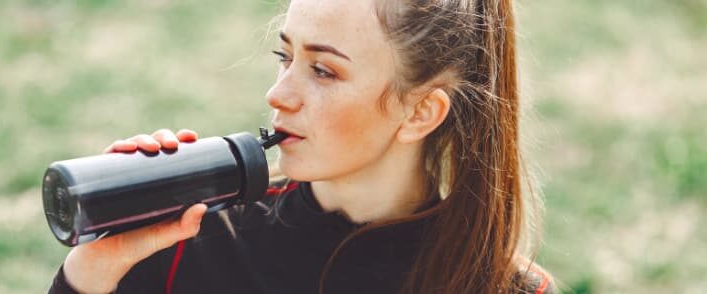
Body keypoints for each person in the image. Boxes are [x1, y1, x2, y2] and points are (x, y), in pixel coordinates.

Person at [49, 0, 555, 293]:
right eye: (283, 55)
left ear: (420, 112)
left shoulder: (501, 287)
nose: (278, 94)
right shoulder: (190, 240)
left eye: (323, 70)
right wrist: (90, 274)